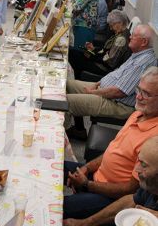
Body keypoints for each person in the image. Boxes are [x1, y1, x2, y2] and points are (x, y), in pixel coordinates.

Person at [63, 67, 158, 222]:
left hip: (109, 196)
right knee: (49, 164)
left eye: (146, 94)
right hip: (96, 176)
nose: (138, 97)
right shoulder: (137, 114)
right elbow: (112, 151)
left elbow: (130, 190)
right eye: (138, 90)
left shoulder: (154, 140)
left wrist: (87, 184)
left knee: (57, 207)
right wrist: (86, 168)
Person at [66, 24, 157, 140]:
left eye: (133, 36)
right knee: (66, 84)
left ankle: (64, 134)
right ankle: (79, 130)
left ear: (144, 42)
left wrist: (93, 93)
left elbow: (119, 92)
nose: (130, 37)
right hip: (105, 91)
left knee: (65, 101)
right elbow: (116, 73)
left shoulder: (143, 62)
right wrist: (98, 84)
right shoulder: (137, 55)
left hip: (118, 104)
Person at [63, 135, 158, 226]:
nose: (136, 170)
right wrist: (84, 223)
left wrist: (86, 184)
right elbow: (132, 200)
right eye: (139, 162)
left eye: (144, 165)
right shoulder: (149, 187)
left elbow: (128, 190)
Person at [68, 9, 131, 80]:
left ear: (120, 23)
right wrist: (93, 49)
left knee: (74, 58)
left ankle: (75, 81)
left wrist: (92, 56)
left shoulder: (121, 39)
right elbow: (106, 51)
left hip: (104, 68)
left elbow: (110, 62)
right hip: (102, 62)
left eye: (111, 26)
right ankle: (75, 79)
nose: (110, 28)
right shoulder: (121, 33)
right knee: (73, 52)